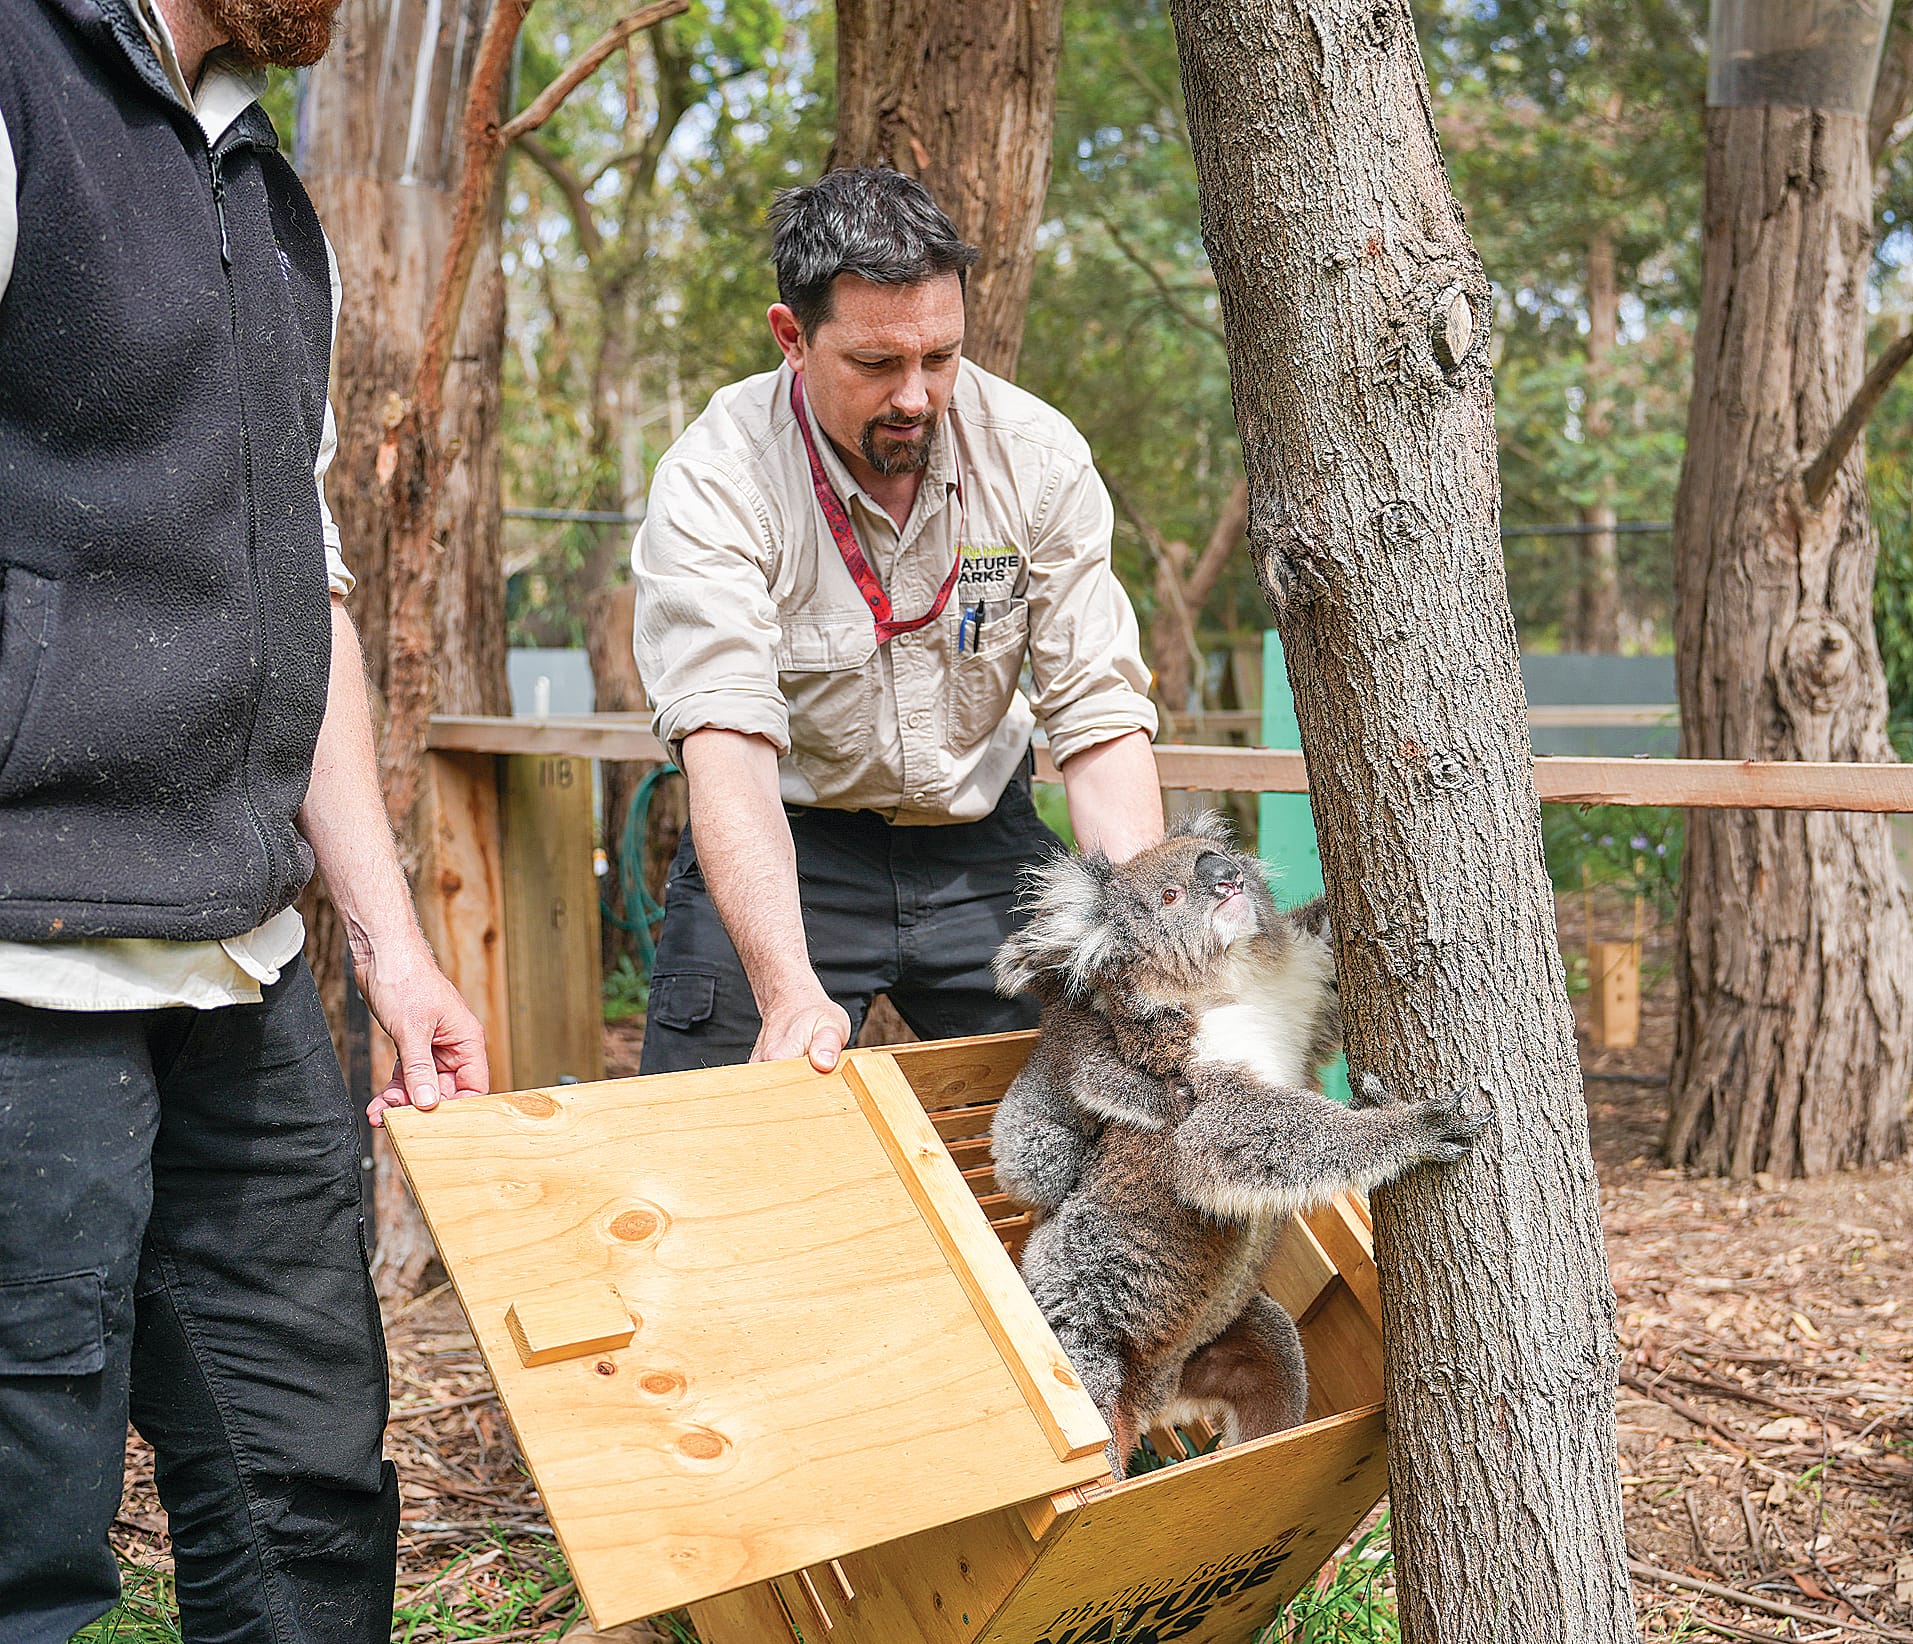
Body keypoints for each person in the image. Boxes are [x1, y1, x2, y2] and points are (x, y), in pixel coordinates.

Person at [0, 0, 487, 1635]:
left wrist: (394, 943)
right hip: (20, 971)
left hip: (248, 972)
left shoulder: (264, 188)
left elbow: (310, 585)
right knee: (25, 1542)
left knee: (311, 1499)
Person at [632, 167, 1165, 1077]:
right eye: (876, 364)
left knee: (1104, 1102)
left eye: (940, 357)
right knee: (714, 1144)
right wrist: (788, 991)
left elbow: (1099, 719)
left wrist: (1149, 944)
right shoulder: (716, 478)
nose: (915, 396)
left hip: (984, 847)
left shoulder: (1038, 459)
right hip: (788, 839)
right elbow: (724, 745)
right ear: (792, 338)